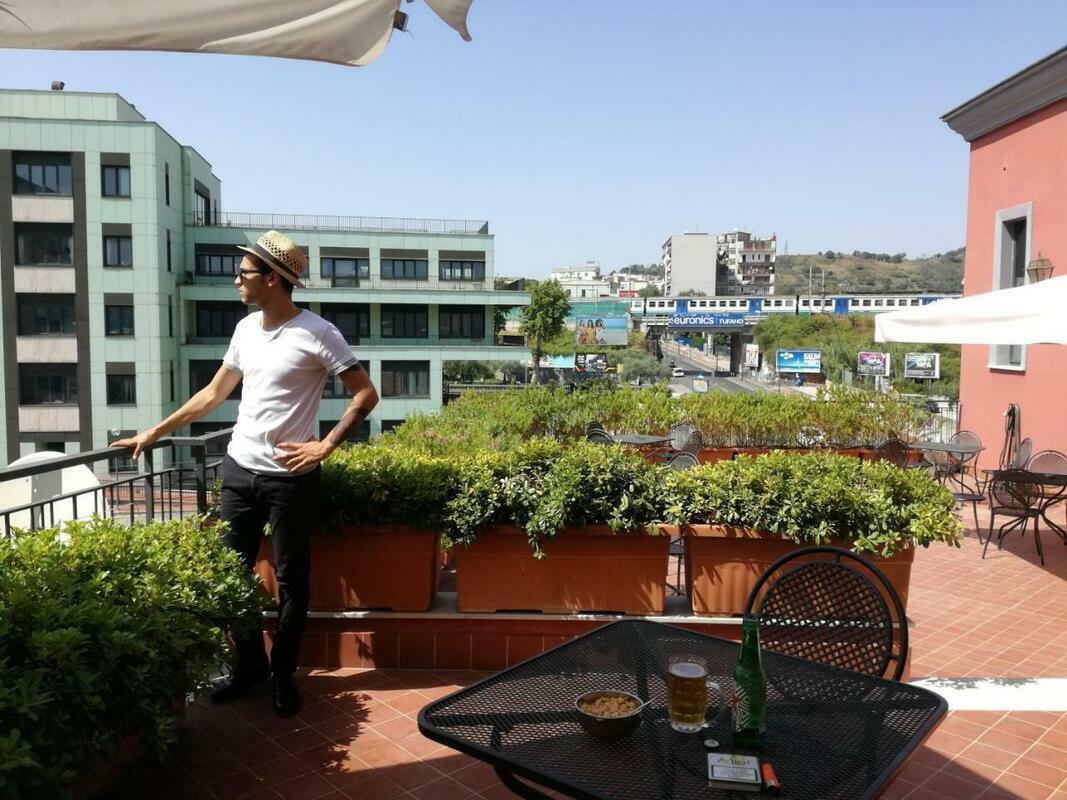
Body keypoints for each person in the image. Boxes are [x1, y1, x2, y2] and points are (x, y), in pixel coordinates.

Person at [111, 230, 379, 718]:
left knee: (292, 580)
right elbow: (213, 394)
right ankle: (252, 665)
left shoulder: (318, 333)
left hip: (290, 478)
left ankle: (283, 675)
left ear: (272, 279)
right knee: (230, 574)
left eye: (244, 273)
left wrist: (325, 445)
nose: (236, 280)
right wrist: (154, 430)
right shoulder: (244, 329)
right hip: (238, 469)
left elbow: (366, 393)